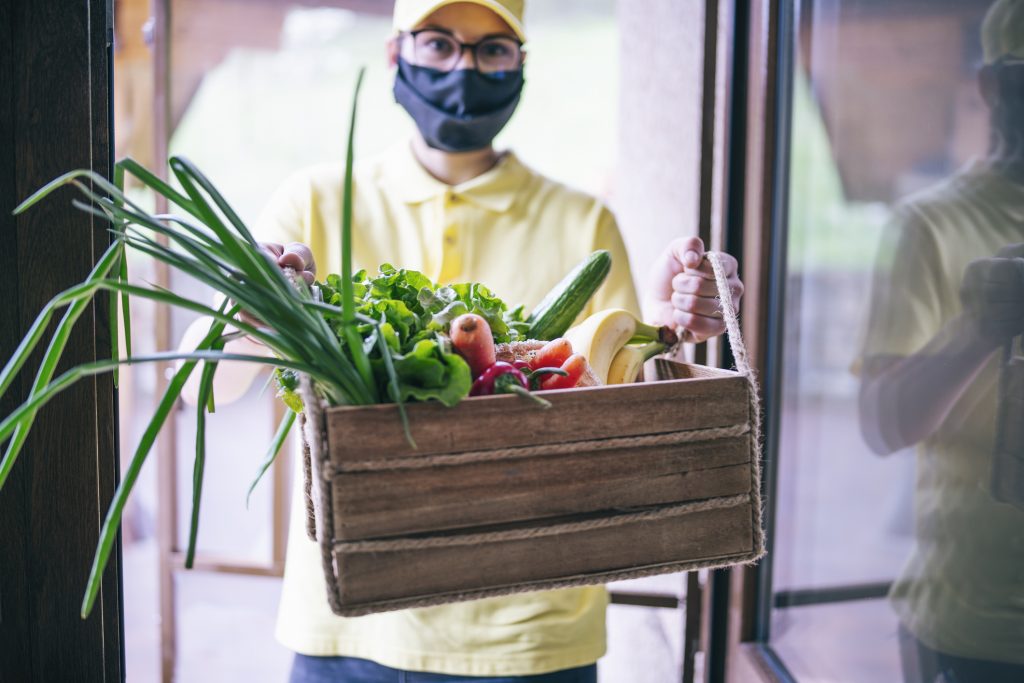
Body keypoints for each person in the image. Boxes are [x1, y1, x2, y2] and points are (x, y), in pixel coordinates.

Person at [184, 1, 744, 680]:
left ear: (521, 66)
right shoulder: (314, 203)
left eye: (492, 50)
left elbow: (625, 416)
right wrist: (258, 310)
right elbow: (205, 386)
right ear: (396, 54)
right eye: (439, 44)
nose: (464, 68)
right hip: (351, 623)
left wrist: (666, 323)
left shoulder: (582, 223)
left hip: (536, 631)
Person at [857, 1, 1024, 680]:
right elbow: (882, 423)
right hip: (974, 632)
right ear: (992, 87)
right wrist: (981, 328)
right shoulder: (930, 225)